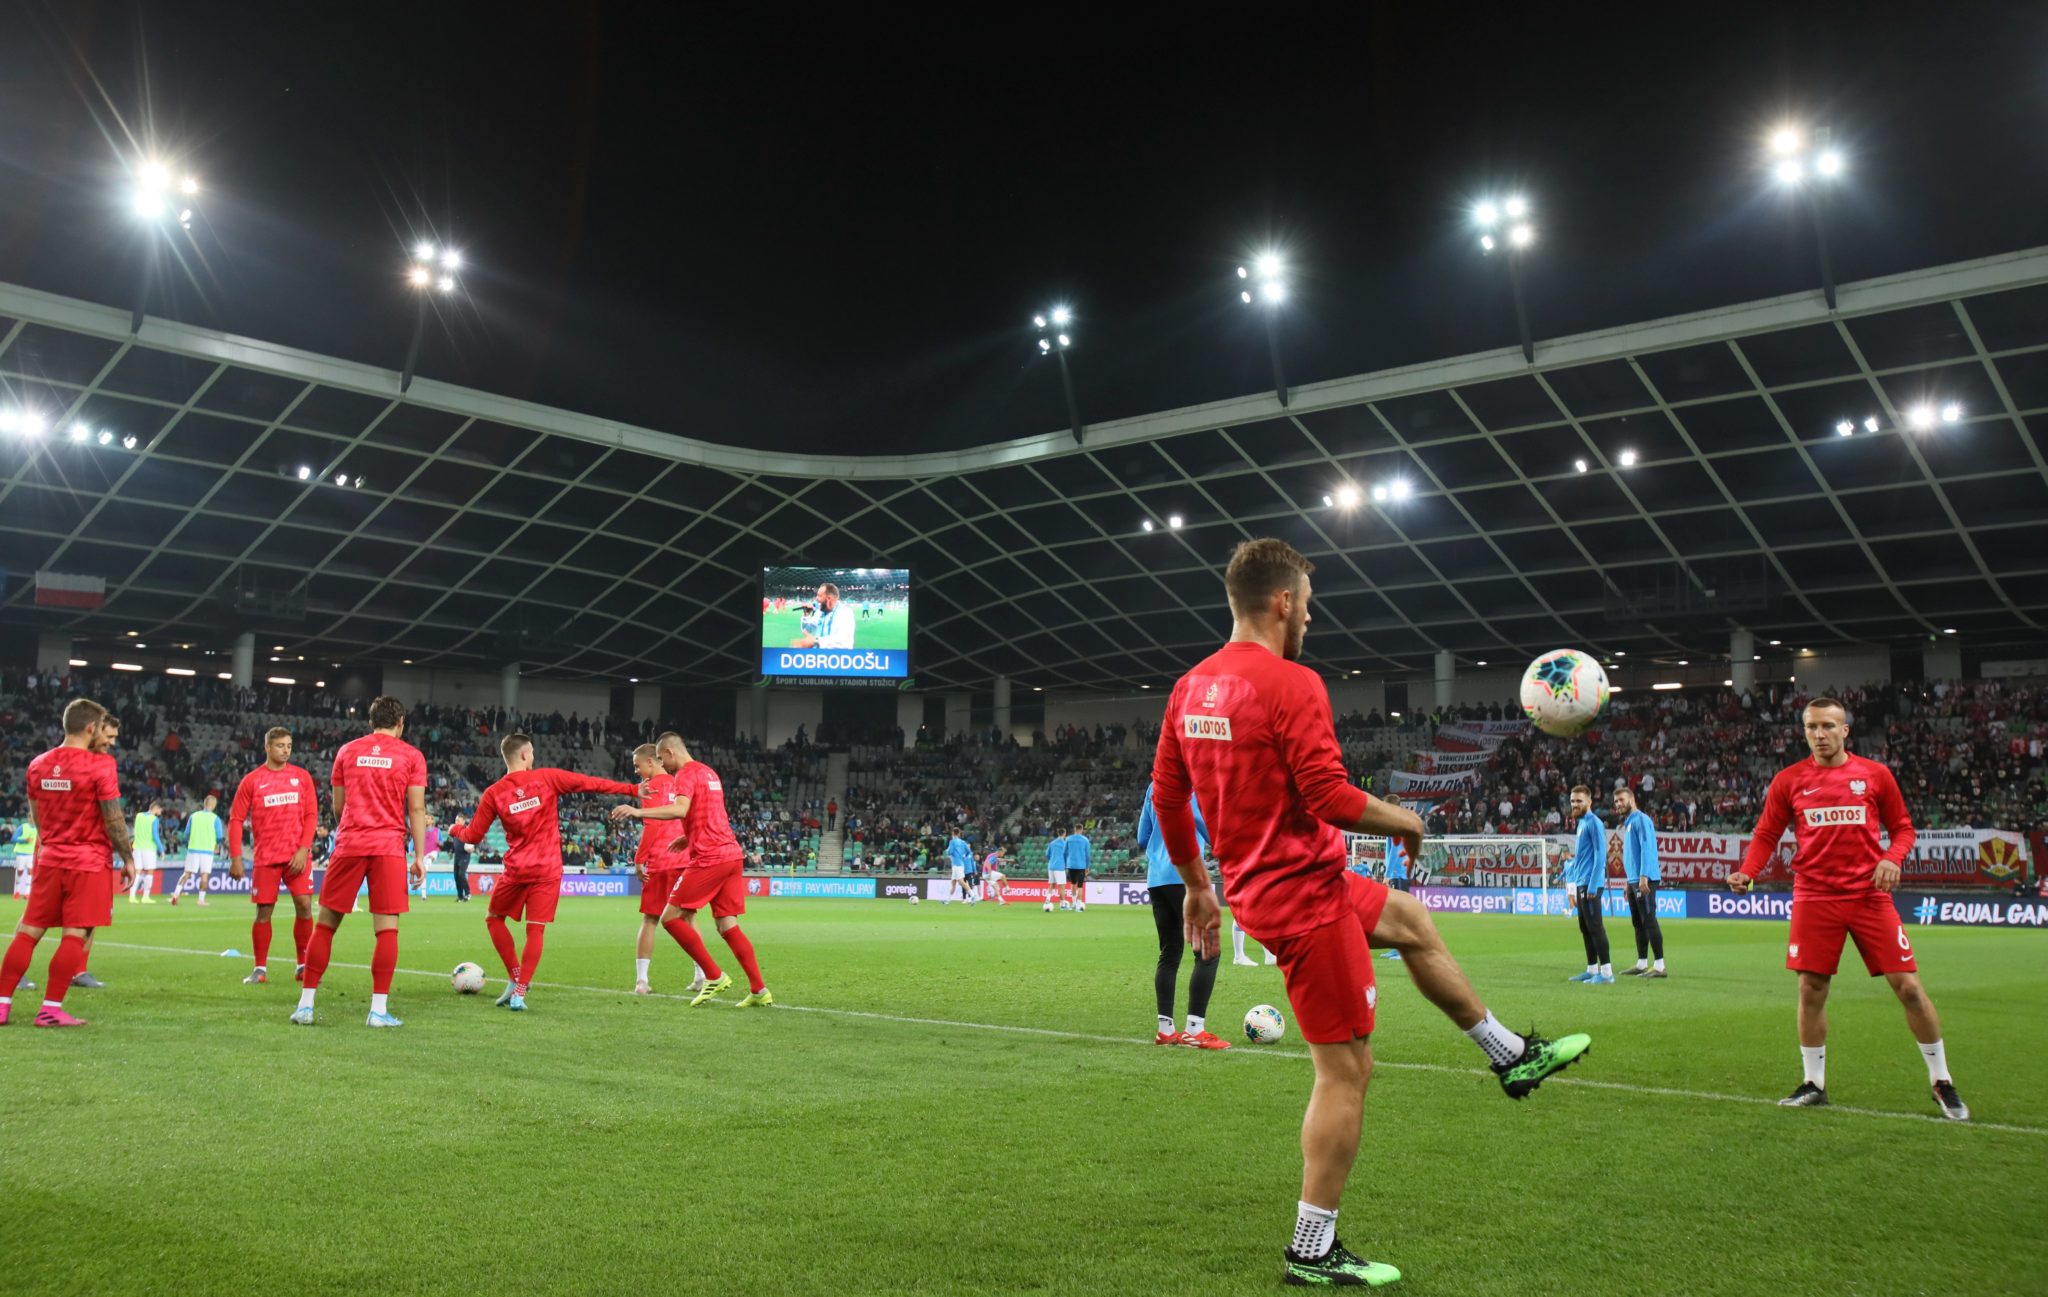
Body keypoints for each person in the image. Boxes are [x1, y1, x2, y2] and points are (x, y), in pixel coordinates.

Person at [1149, 538, 1589, 1286]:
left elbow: (1166, 796)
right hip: (1302, 897)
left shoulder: (1190, 688)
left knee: (1413, 920)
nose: (1311, 621)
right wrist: (1406, 820)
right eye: (1308, 606)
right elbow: (1327, 795)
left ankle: (1509, 1055)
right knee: (1347, 1068)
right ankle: (1311, 1247)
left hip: (1279, 884)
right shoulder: (1291, 683)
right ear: (1283, 601)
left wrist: (1198, 885)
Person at [1729, 696, 1968, 1120]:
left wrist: (1892, 858)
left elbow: (1903, 829)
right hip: (1814, 896)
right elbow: (1767, 833)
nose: (1819, 734)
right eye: (1811, 727)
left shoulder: (1874, 776)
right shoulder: (1789, 781)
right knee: (1811, 990)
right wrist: (1748, 871)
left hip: (1868, 896)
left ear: (1845, 731)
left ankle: (1942, 1081)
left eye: (1827, 726)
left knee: (1909, 988)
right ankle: (1814, 1084)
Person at [451, 733, 636, 1011]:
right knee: (535, 931)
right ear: (525, 755)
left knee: (494, 919)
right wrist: (632, 790)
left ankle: (515, 976)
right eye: (532, 752)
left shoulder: (494, 793)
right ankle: (520, 992)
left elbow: (472, 836)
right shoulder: (547, 778)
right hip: (547, 869)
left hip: (517, 870)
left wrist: (454, 829)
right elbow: (591, 783)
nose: (534, 757)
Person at [0, 699, 137, 1027]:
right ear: (91, 728)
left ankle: (2, 1004)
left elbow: (36, 817)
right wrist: (128, 857)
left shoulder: (38, 764)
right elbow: (113, 818)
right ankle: (50, 1008)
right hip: (87, 862)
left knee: (29, 930)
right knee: (76, 934)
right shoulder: (100, 766)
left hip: (49, 859)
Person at [293, 695, 428, 1028]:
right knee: (386, 930)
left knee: (325, 925)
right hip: (388, 848)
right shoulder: (411, 756)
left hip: (350, 843)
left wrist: (353, 828)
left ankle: (306, 1005)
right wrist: (420, 856)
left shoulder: (347, 751)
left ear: (370, 722)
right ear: (401, 722)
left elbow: (338, 807)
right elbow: (416, 810)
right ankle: (377, 1011)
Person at [609, 731, 771, 1007]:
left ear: (670, 753)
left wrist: (638, 812)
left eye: (662, 759)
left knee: (669, 918)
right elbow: (711, 812)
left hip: (710, 858)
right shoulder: (709, 773)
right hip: (731, 854)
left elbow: (681, 808)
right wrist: (688, 836)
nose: (664, 765)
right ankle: (759, 990)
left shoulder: (684, 774)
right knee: (727, 924)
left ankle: (713, 975)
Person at [1135, 782, 1227, 1049]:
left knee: (1170, 952)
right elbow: (1201, 822)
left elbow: (1143, 837)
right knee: (1208, 952)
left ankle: (1166, 1030)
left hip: (1156, 878)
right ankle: (1194, 1029)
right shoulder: (1193, 783)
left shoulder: (1152, 786)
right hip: (1184, 874)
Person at [226, 728, 319, 985]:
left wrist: (303, 849)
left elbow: (311, 815)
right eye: (280, 745)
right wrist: (236, 857)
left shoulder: (302, 777)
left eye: (289, 745)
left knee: (304, 905)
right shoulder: (252, 781)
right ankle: (259, 969)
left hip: (298, 857)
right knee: (264, 911)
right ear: (267, 747)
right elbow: (235, 820)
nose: (286, 750)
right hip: (266, 857)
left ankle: (303, 965)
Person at [626, 743, 702, 996]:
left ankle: (642, 981)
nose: (636, 770)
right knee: (689, 917)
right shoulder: (680, 782)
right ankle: (701, 975)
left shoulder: (652, 787)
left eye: (638, 765)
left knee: (650, 919)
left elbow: (652, 826)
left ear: (652, 762)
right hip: (685, 860)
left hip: (661, 861)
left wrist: (639, 859)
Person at [1565, 785, 1614, 984]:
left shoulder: (1594, 822)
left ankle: (1607, 973)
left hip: (1590, 884)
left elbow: (1600, 854)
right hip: (1581, 882)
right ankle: (1592, 969)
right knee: (1585, 928)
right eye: (1572, 801)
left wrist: (1593, 885)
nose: (1575, 804)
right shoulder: (1581, 823)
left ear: (1589, 802)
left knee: (1595, 927)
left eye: (1579, 801)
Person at [1614, 787, 1665, 978]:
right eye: (1616, 801)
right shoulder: (1628, 823)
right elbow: (1632, 856)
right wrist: (1629, 882)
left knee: (1649, 919)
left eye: (1621, 800)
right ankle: (1642, 963)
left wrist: (1643, 876)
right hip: (1635, 880)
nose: (1618, 804)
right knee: (1638, 922)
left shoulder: (1641, 819)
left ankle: (1660, 966)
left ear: (1632, 799)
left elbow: (1647, 847)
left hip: (1646, 879)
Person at [169, 794, 223, 906]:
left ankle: (176, 894)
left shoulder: (194, 816)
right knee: (204, 875)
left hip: (193, 849)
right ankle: (201, 900)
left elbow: (186, 833)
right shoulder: (215, 819)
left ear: (204, 803)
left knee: (187, 873)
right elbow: (219, 836)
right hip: (207, 851)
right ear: (213, 805)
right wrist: (216, 845)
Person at [129, 800, 163, 903]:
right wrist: (161, 850)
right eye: (160, 809)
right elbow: (155, 836)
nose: (161, 812)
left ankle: (132, 896)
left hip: (137, 847)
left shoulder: (138, 816)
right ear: (156, 808)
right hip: (149, 848)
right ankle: (145, 897)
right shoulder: (154, 819)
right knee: (150, 871)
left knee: (137, 872)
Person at [1382, 793, 1411, 893]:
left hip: (1397, 873)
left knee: (1400, 907)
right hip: (1400, 872)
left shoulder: (1396, 825)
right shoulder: (1400, 822)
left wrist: (1388, 874)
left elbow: (1395, 851)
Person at [1065, 826, 1091, 912]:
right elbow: (1087, 855)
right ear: (1082, 830)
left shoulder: (1068, 839)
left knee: (1073, 884)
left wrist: (1066, 863)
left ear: (1075, 829)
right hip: (1081, 865)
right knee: (1080, 885)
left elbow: (1065, 852)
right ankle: (1079, 905)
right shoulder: (1085, 840)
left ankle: (1073, 903)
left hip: (1071, 865)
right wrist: (1087, 866)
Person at [447, 818, 473, 902]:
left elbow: (474, 840)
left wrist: (473, 847)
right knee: (456, 876)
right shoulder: (454, 832)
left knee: (461, 874)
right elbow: (454, 844)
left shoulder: (467, 830)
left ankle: (468, 893)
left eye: (458, 820)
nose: (456, 822)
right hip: (457, 856)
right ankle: (460, 897)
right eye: (455, 820)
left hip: (465, 856)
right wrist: (451, 851)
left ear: (463, 821)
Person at [946, 832, 975, 904]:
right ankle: (948, 900)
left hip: (956, 865)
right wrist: (963, 856)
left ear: (953, 835)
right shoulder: (963, 842)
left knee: (961, 882)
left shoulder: (952, 842)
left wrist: (948, 851)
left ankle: (972, 894)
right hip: (959, 864)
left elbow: (950, 852)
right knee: (953, 882)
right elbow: (969, 851)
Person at [1043, 829, 1068, 912]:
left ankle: (1047, 900)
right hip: (1060, 867)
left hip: (1051, 866)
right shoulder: (1065, 844)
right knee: (1061, 886)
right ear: (1064, 834)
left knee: (1052, 885)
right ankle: (1063, 904)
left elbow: (1047, 854)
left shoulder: (1052, 843)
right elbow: (1067, 856)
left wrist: (1053, 860)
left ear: (1058, 833)